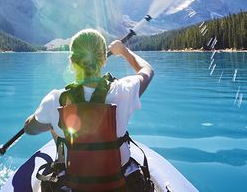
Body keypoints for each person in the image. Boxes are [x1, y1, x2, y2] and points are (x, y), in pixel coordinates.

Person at [24, 29, 154, 191]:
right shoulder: (124, 90)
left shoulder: (55, 100)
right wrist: (124, 52)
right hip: (120, 186)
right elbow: (147, 70)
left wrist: (45, 118)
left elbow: (30, 129)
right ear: (104, 60)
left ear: (71, 61)